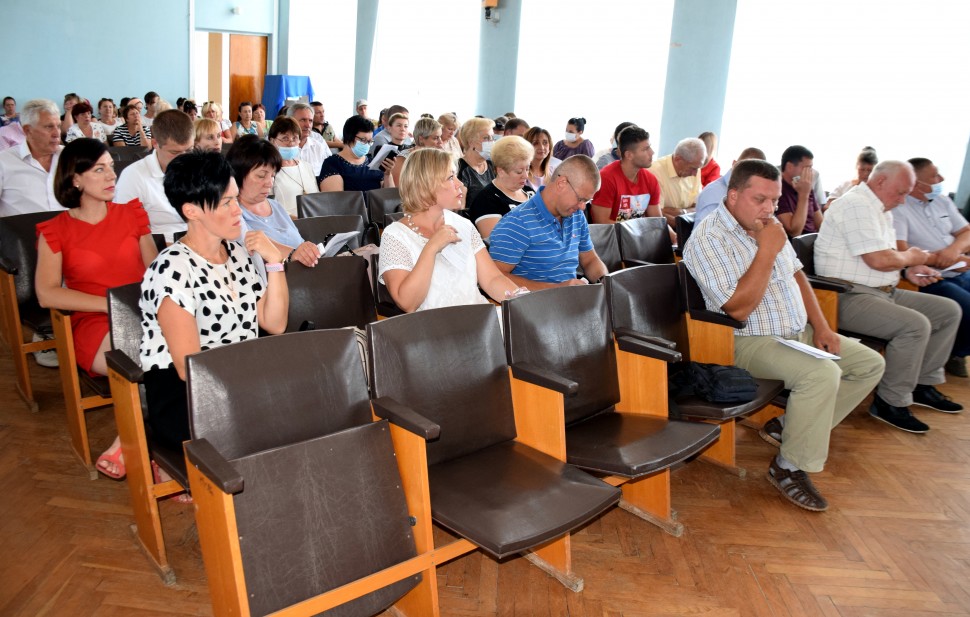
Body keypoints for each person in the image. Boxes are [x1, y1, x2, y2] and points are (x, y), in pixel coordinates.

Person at [683, 159, 884, 512]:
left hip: (796, 332)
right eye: (759, 199)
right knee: (822, 374)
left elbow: (797, 276)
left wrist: (822, 327)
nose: (769, 209)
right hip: (745, 341)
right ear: (732, 196)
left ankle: (789, 426)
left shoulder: (769, 226)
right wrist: (766, 250)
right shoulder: (709, 238)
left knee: (869, 364)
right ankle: (789, 467)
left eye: (774, 201)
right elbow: (737, 309)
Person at [139, 149, 288, 455]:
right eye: (226, 203)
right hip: (188, 398)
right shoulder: (172, 269)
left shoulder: (236, 254)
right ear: (191, 211)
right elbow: (189, 368)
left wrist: (274, 263)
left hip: (237, 381)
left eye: (235, 199)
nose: (238, 211)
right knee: (282, 420)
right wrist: (253, 392)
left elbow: (274, 323)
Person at [35, 138, 158, 479]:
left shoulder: (132, 213)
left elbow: (154, 272)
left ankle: (132, 442)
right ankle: (148, 446)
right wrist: (110, 305)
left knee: (172, 352)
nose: (111, 176)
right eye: (99, 169)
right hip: (93, 324)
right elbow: (46, 294)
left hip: (142, 314)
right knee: (147, 358)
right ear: (75, 179)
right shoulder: (55, 230)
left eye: (112, 167)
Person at [816, 160, 963, 433]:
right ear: (880, 181)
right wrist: (911, 256)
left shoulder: (882, 208)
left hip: (882, 291)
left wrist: (909, 269)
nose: (903, 199)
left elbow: (887, 259)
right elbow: (879, 259)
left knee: (948, 311)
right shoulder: (857, 205)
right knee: (915, 325)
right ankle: (889, 402)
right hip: (844, 296)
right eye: (901, 192)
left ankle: (921, 383)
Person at [379, 148, 524, 312]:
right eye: (450, 177)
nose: (460, 184)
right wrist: (431, 248)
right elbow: (408, 303)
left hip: (479, 320)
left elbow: (492, 279)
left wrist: (520, 300)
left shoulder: (463, 224)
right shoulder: (395, 236)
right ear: (426, 184)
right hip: (434, 328)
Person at [893, 158, 970, 378]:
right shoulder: (899, 207)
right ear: (916, 184)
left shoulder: (942, 201)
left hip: (959, 267)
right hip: (929, 277)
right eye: (935, 177)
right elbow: (902, 251)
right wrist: (940, 259)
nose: (942, 180)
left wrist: (954, 252)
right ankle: (956, 352)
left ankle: (957, 349)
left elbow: (966, 232)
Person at [489, 155, 607, 290]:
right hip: (535, 305)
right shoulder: (517, 222)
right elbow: (495, 277)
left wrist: (604, 281)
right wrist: (556, 289)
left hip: (570, 300)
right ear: (561, 183)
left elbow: (589, 260)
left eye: (586, 201)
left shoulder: (576, 216)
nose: (582, 207)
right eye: (580, 199)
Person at [226, 135, 320, 267]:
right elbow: (251, 244)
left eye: (273, 175)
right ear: (239, 174)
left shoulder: (276, 207)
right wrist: (293, 254)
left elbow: (299, 243)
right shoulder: (233, 212)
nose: (269, 183)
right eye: (261, 175)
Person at [115, 109, 194, 243]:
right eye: (175, 152)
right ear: (155, 144)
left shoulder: (199, 167)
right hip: (158, 248)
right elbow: (124, 229)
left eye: (189, 150)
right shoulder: (133, 176)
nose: (184, 158)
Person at [0, 99, 65, 216]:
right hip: (23, 233)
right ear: (28, 130)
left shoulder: (70, 156)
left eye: (59, 126)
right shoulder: (4, 162)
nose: (57, 134)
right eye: (49, 127)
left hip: (71, 231)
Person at [590, 126, 661, 223]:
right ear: (629, 155)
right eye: (645, 149)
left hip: (638, 235)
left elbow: (657, 221)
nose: (652, 152)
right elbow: (601, 222)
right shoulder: (606, 178)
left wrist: (673, 236)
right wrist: (635, 231)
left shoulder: (650, 179)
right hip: (612, 237)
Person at [469, 135, 535, 239]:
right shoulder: (486, 200)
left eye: (527, 169)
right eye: (519, 171)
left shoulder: (530, 192)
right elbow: (497, 243)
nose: (526, 176)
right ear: (501, 171)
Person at [318, 114, 394, 192]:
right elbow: (335, 200)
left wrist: (387, 174)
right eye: (363, 140)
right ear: (349, 137)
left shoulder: (373, 163)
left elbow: (388, 196)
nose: (367, 145)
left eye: (370, 141)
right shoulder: (333, 164)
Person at [694, 147, 767, 224]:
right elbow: (707, 234)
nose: (747, 176)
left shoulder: (749, 194)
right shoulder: (714, 192)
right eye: (745, 170)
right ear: (734, 164)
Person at [268, 117, 319, 218]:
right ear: (272, 141)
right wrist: (298, 221)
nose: (290, 143)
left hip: (312, 222)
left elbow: (317, 198)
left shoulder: (306, 166)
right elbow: (269, 205)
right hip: (285, 224)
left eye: (295, 138)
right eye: (285, 138)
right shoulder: (268, 171)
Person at [649, 137, 706, 226]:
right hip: (662, 230)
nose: (695, 174)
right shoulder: (655, 171)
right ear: (678, 159)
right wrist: (685, 218)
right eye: (693, 168)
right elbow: (656, 214)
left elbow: (699, 207)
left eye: (698, 168)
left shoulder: (695, 169)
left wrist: (681, 212)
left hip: (686, 228)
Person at [776, 145, 824, 237]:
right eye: (807, 168)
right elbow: (794, 232)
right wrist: (803, 195)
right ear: (789, 167)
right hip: (798, 246)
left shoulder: (807, 187)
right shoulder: (779, 190)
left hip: (814, 242)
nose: (810, 172)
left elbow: (821, 225)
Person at [391, 117, 445, 187]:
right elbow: (397, 190)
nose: (440, 142)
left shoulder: (437, 156)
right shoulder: (403, 160)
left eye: (440, 137)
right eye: (435, 138)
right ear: (421, 139)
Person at [457, 117, 496, 207]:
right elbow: (460, 208)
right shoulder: (461, 168)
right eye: (486, 138)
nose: (491, 142)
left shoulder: (492, 165)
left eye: (492, 137)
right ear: (471, 142)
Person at [286, 102, 330, 176]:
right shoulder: (280, 147)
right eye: (303, 120)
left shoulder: (318, 147)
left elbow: (329, 170)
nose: (308, 125)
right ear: (290, 121)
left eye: (310, 121)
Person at [524, 126, 560, 191]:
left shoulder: (554, 172)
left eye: (545, 143)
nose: (542, 147)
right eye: (535, 143)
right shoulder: (521, 173)